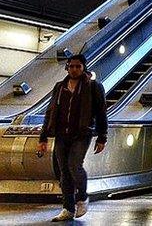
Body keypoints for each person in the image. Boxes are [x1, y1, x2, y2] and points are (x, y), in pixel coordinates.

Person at [37, 54, 107, 221]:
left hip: (82, 133)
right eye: (71, 66)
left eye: (78, 66)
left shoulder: (93, 87)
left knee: (74, 165)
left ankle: (82, 197)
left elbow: (101, 112)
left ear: (84, 68)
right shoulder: (60, 87)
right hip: (61, 134)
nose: (74, 69)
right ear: (67, 67)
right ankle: (68, 209)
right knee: (64, 172)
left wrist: (102, 136)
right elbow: (50, 111)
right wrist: (43, 137)